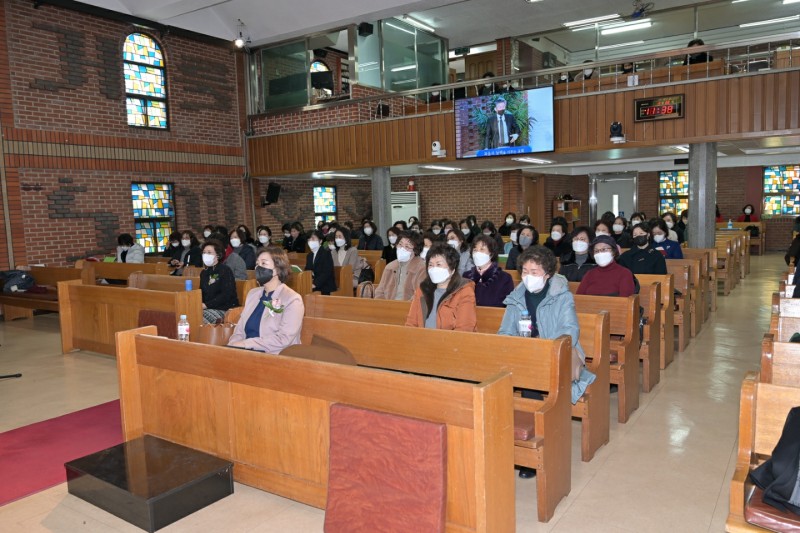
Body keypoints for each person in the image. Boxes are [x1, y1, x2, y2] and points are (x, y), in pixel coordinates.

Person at [497, 245, 596, 477]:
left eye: (535, 271)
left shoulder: (561, 296)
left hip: (556, 352)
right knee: (512, 375)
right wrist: (518, 345)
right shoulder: (516, 297)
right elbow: (504, 332)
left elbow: (570, 331)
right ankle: (515, 437)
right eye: (525, 271)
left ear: (548, 273)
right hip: (525, 355)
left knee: (533, 376)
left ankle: (535, 444)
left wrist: (545, 344)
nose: (528, 276)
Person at [228, 247, 303, 353]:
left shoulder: (292, 299)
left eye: (264, 263)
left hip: (275, 355)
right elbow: (239, 329)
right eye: (257, 263)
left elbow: (283, 339)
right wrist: (233, 345)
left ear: (278, 269)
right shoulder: (253, 294)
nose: (258, 267)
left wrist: (246, 344)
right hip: (246, 353)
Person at [405, 243, 477, 331]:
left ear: (452, 269)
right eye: (430, 265)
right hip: (422, 341)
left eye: (439, 264)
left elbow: (465, 328)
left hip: (450, 342)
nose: (434, 269)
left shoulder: (464, 291)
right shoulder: (422, 289)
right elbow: (411, 323)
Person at [463, 234, 515, 307]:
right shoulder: (466, 276)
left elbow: (507, 305)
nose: (477, 253)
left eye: (482, 249)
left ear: (491, 254)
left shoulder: (504, 278)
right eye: (475, 250)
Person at [374, 231, 427, 301]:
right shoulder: (390, 267)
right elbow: (380, 291)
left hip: (409, 308)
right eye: (400, 245)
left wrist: (402, 308)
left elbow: (420, 294)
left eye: (407, 246)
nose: (402, 249)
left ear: (416, 250)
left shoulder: (422, 268)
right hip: (388, 307)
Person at [200, 239, 238, 324]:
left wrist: (206, 305)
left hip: (225, 308)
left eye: (209, 252)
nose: (206, 255)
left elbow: (227, 294)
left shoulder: (225, 270)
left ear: (218, 255)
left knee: (200, 318)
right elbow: (202, 292)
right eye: (204, 252)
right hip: (208, 308)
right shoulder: (204, 273)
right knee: (191, 313)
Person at [305, 229, 337, 295]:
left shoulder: (326, 253)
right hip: (314, 284)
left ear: (320, 241)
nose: (310, 241)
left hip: (325, 285)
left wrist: (315, 284)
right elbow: (308, 269)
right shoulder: (309, 255)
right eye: (309, 240)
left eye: (313, 239)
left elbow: (326, 272)